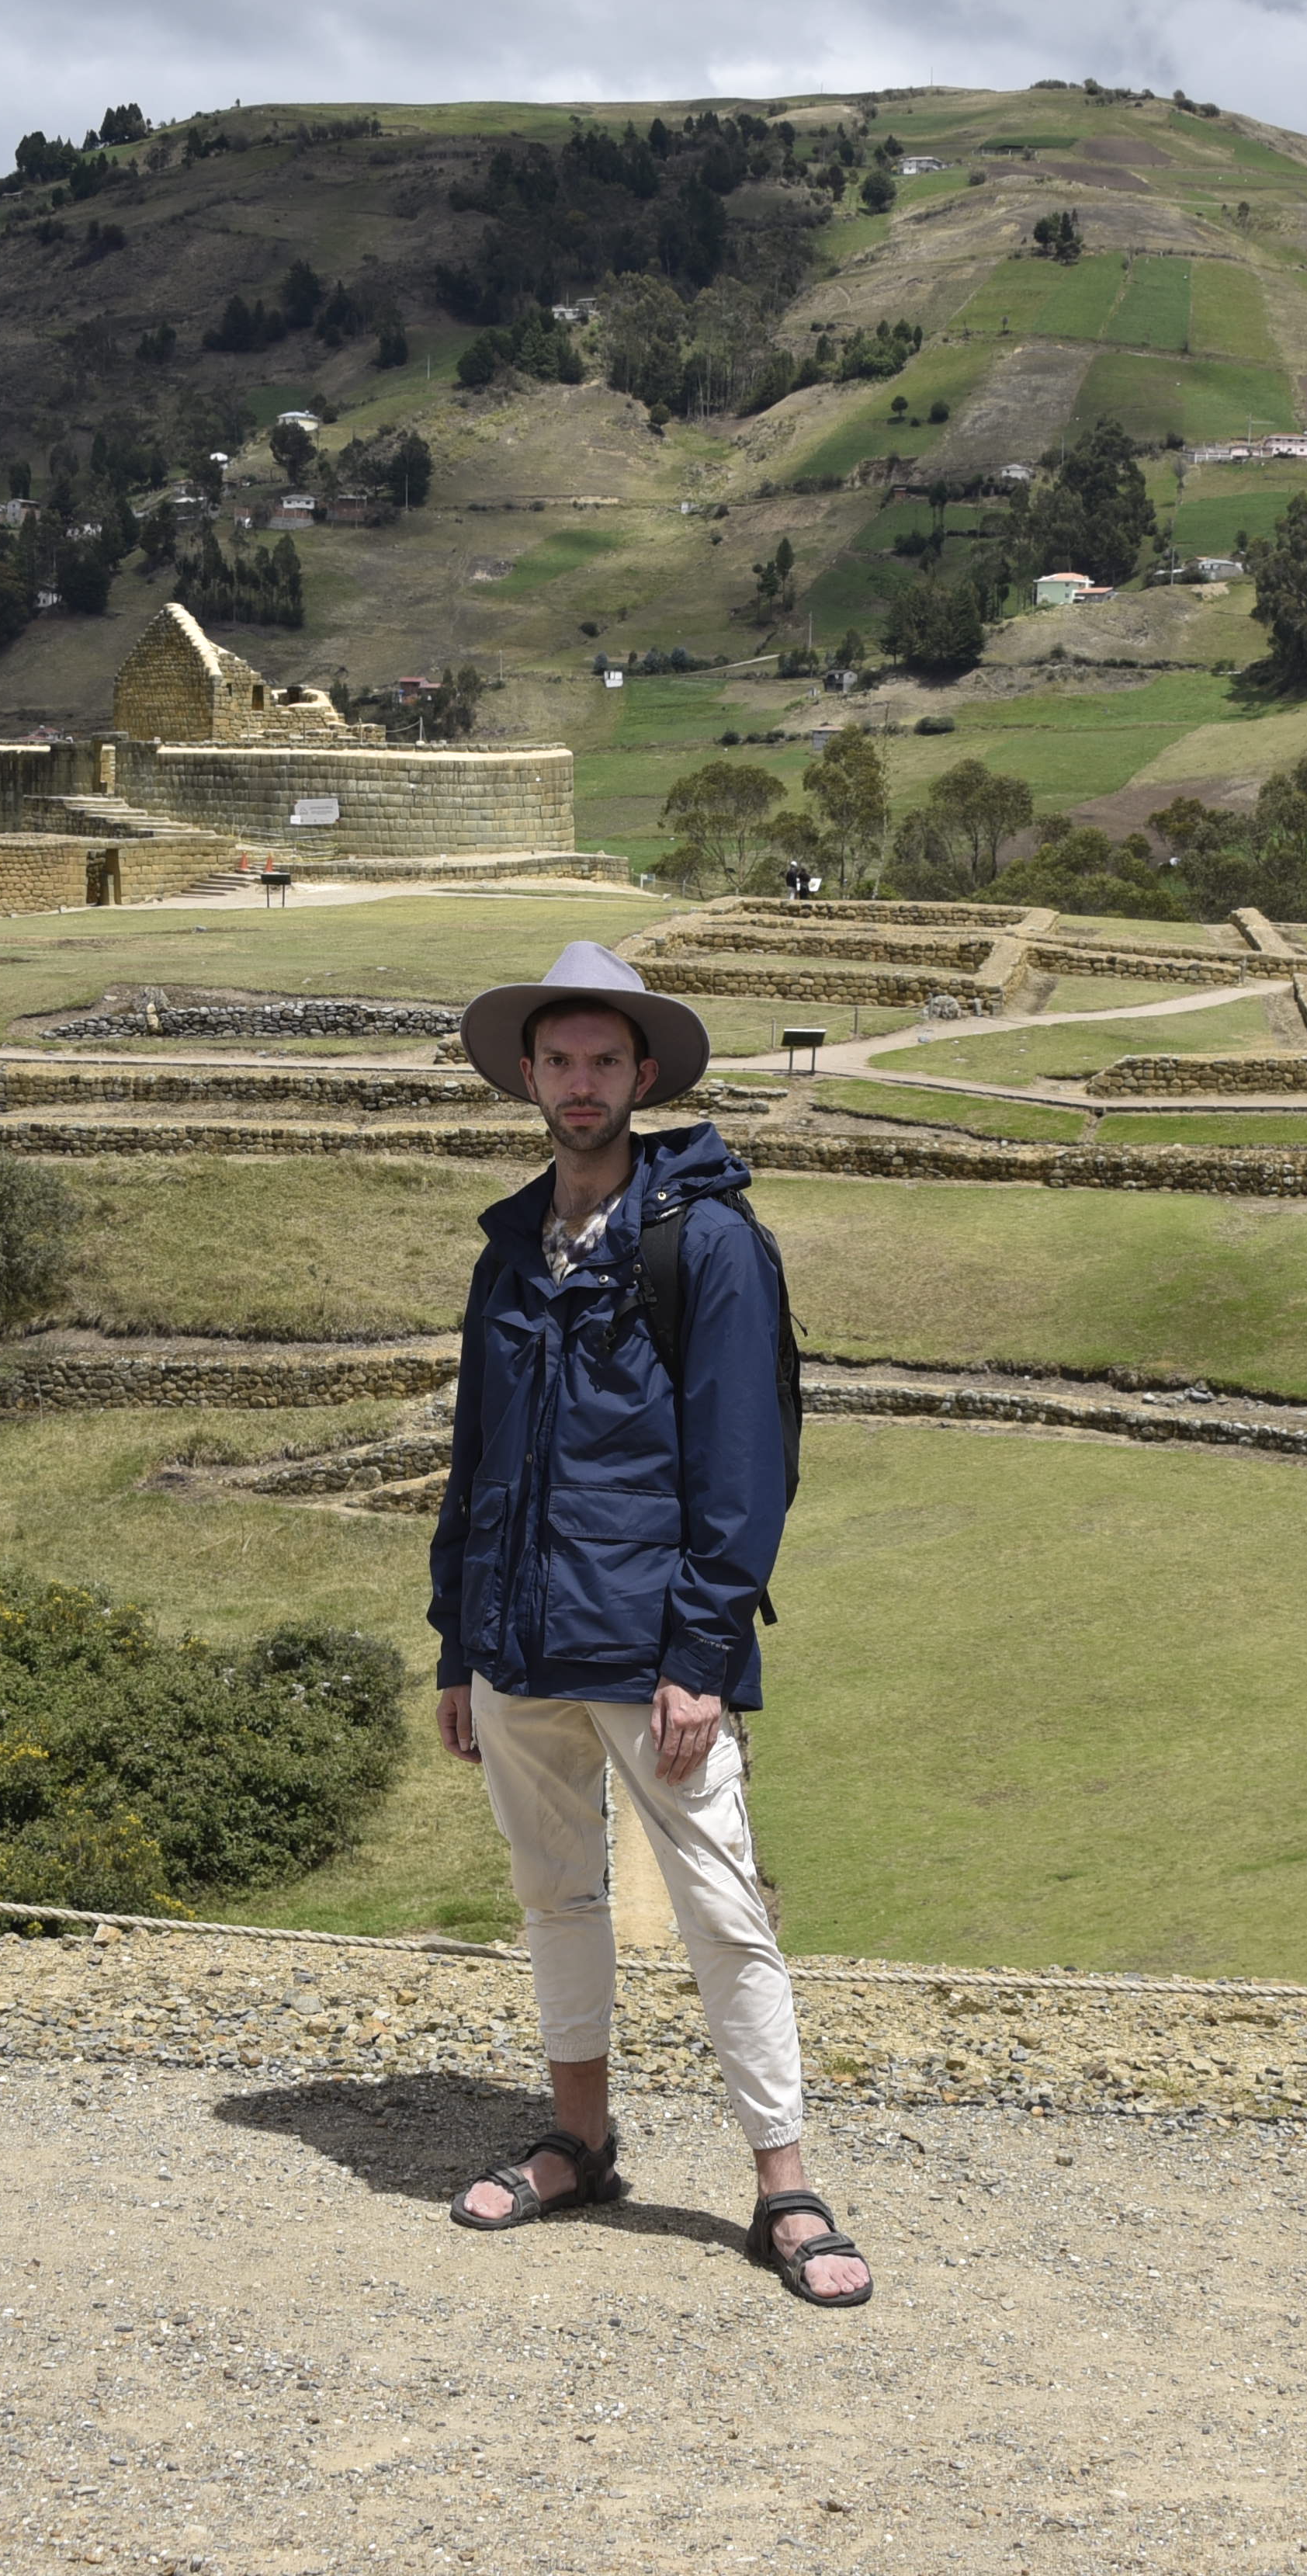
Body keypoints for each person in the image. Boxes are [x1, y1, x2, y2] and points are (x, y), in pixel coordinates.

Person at [427, 938, 868, 2310]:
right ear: (527, 1074)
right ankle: (581, 2139)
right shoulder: (512, 1246)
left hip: (645, 1644)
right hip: (519, 1640)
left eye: (602, 1061)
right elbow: (478, 1452)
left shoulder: (709, 1243)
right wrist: (457, 1638)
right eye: (556, 1060)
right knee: (556, 1899)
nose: (577, 1083)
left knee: (724, 1910)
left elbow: (743, 1462)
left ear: (646, 1075)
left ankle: (784, 2184)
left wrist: (698, 1654)